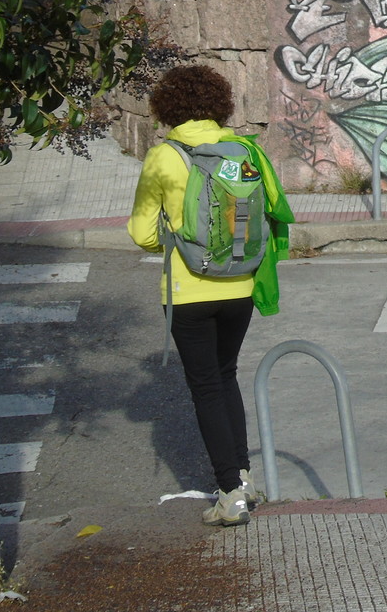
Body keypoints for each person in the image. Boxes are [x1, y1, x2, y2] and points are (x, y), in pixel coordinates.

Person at [127, 64, 291, 527]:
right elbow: (273, 207)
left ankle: (229, 492)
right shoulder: (245, 150)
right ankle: (244, 476)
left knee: (205, 388)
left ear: (167, 107)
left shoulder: (164, 156)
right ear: (220, 103)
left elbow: (142, 233)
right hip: (241, 284)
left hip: (188, 290)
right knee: (226, 375)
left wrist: (177, 244)